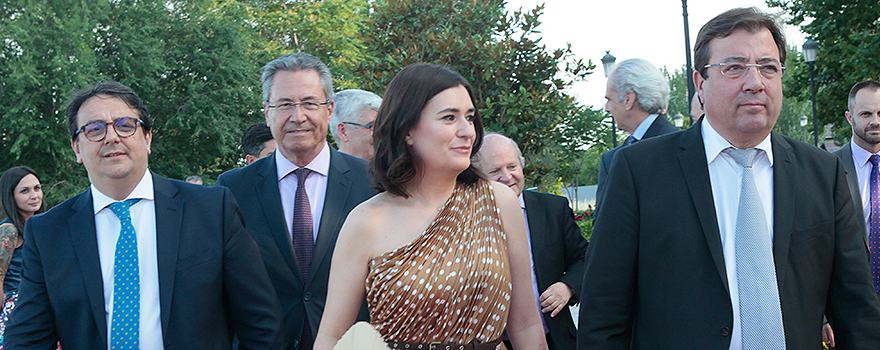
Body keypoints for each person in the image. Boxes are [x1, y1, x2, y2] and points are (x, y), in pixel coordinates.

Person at [578, 7, 880, 350]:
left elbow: (857, 311)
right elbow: (603, 316)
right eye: (735, 67)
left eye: (768, 67)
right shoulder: (639, 171)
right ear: (700, 84)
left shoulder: (822, 173)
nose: (755, 83)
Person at [4, 81, 282, 349]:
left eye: (125, 125)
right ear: (77, 148)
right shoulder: (48, 232)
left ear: (147, 138)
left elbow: (260, 323)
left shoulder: (211, 209)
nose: (112, 137)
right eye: (94, 129)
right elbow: (27, 338)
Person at [313, 63, 548, 350]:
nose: (467, 131)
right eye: (449, 117)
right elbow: (332, 336)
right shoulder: (366, 221)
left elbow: (526, 322)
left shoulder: (499, 202)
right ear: (407, 130)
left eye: (470, 117)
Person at [217, 53, 376, 350]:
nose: (298, 116)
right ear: (267, 112)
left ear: (329, 111)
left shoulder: (372, 183)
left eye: (309, 103)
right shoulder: (233, 188)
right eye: (285, 104)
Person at [472, 133, 586, 350]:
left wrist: (567, 286)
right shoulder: (466, 218)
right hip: (491, 343)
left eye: (512, 166)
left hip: (554, 338)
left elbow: (585, 257)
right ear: (477, 175)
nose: (507, 177)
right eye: (495, 171)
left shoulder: (553, 209)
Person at [829, 80, 880, 348]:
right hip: (852, 312)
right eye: (866, 114)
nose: (875, 121)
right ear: (850, 117)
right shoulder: (827, 169)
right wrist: (823, 316)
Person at [595, 58, 679, 206]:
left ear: (628, 99)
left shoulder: (680, 148)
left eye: (609, 99)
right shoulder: (611, 159)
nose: (606, 108)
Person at [0, 166, 45, 345]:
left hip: (38, 304)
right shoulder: (8, 230)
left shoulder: (41, 226)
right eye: (24, 191)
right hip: (14, 309)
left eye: (37, 188)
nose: (34, 195)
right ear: (11, 196)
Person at [330, 89, 382, 160]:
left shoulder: (392, 169)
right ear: (343, 132)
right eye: (372, 126)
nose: (381, 133)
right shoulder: (326, 170)